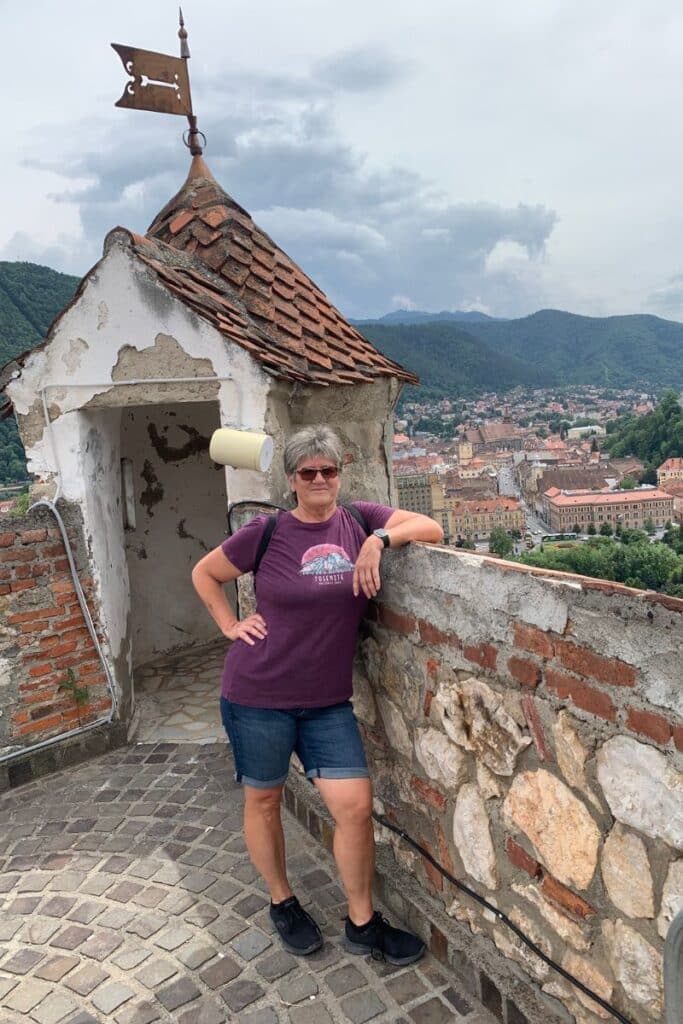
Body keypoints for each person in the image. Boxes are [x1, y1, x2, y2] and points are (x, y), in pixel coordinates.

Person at [192, 425, 444, 963]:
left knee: (353, 808)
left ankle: (362, 922)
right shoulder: (268, 531)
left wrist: (380, 541)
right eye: (308, 472)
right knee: (264, 801)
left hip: (327, 703)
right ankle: (283, 901)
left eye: (328, 470)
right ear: (292, 479)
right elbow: (205, 574)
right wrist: (230, 625)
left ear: (339, 474)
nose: (320, 479)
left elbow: (431, 527)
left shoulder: (360, 520)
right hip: (257, 693)